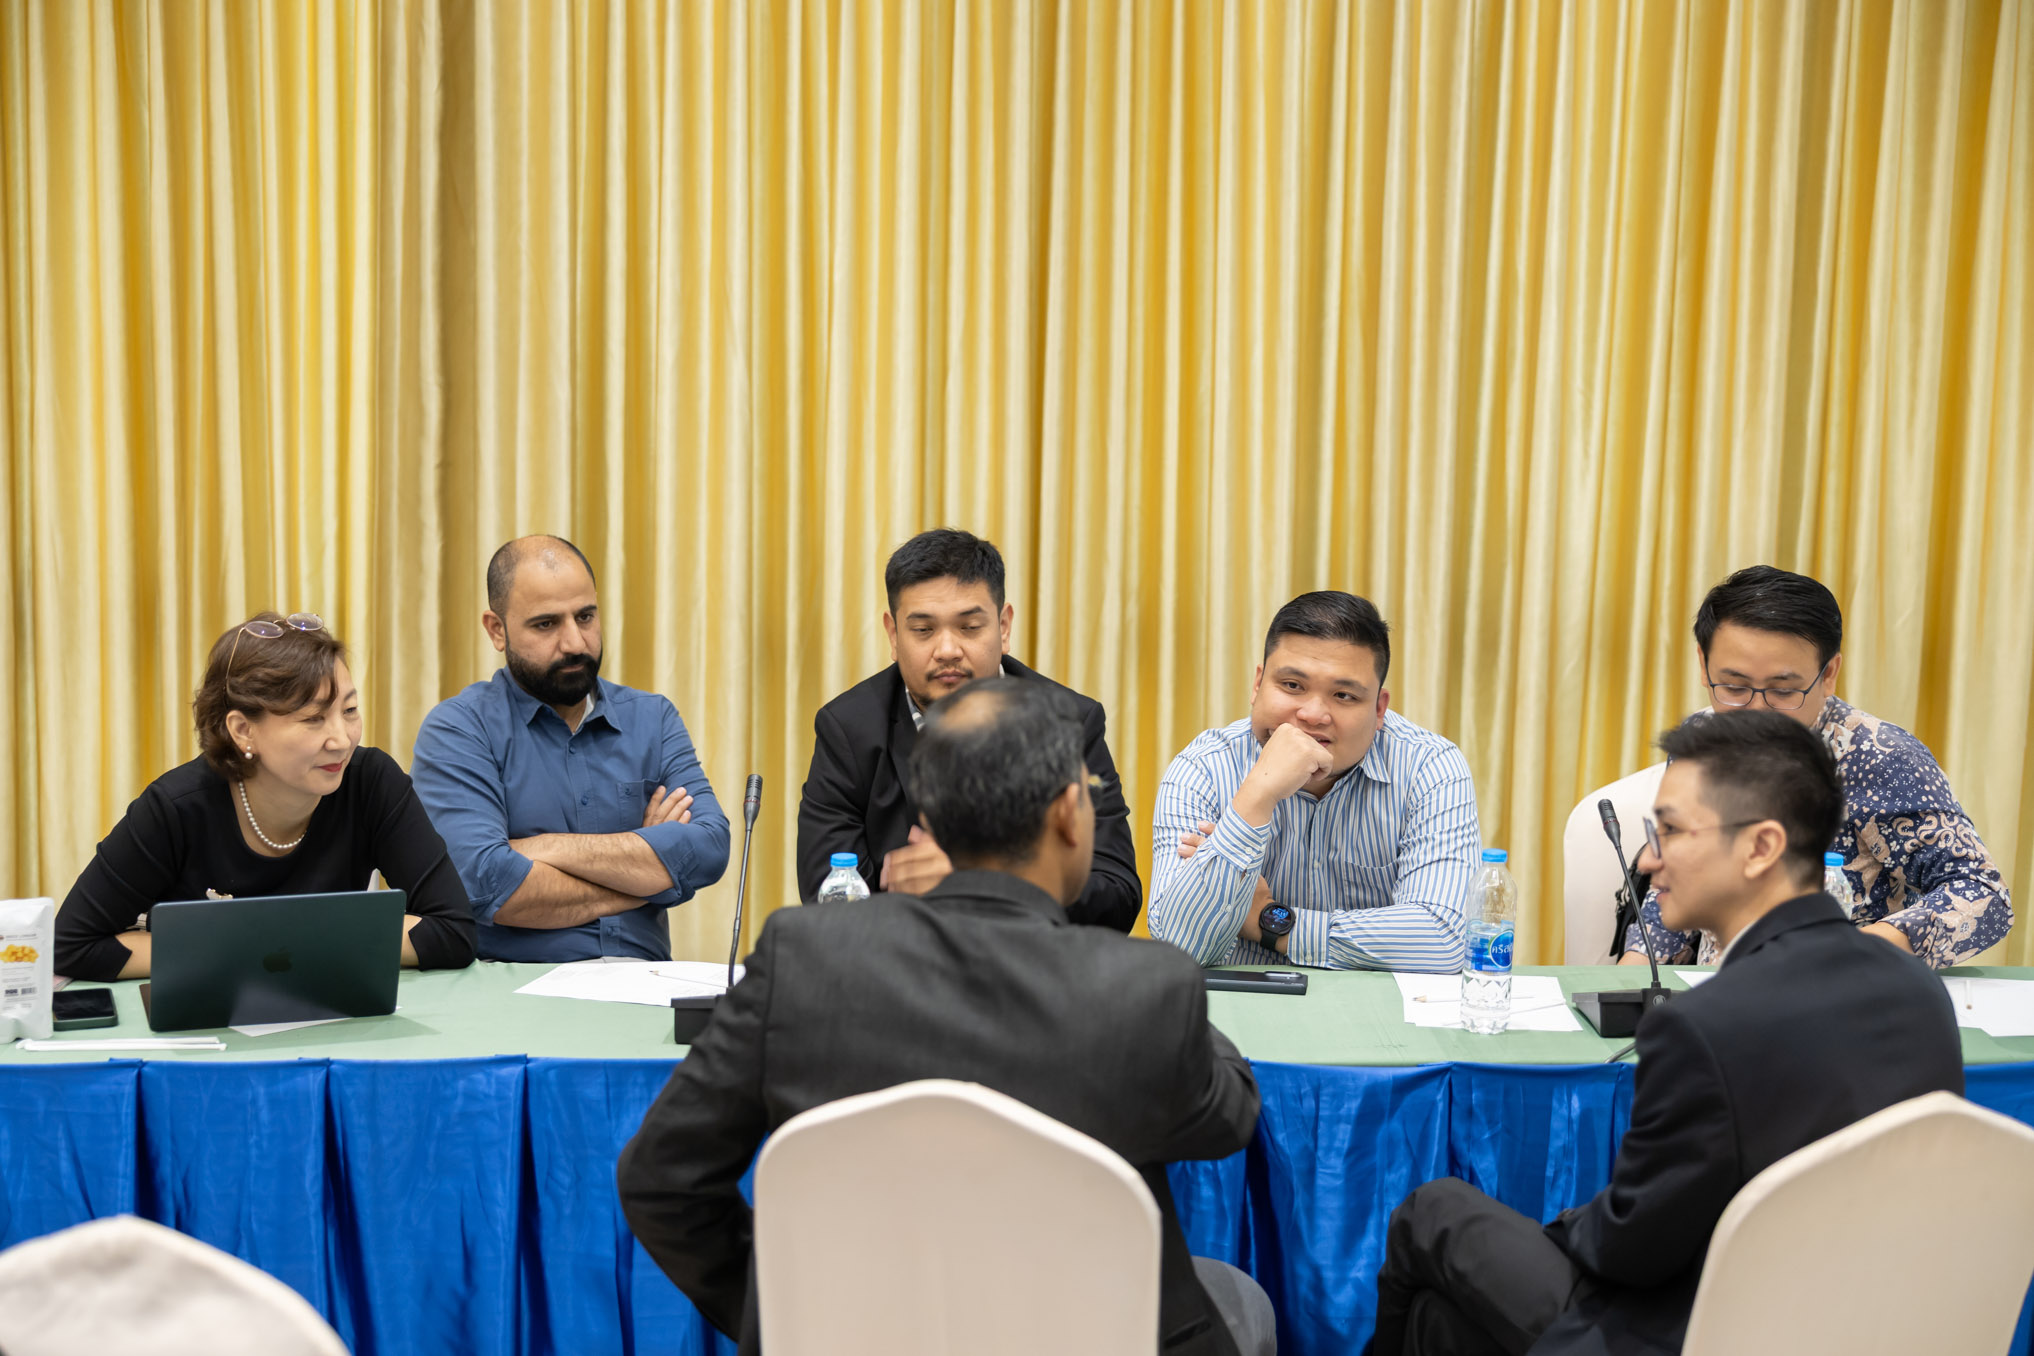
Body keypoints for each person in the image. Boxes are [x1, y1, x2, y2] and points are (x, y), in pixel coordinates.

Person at [620, 677, 1272, 1355]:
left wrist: (792, 1309)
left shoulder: (800, 958)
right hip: (1086, 1335)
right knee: (1242, 1300)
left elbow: (661, 1179)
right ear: (1068, 816)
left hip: (856, 1335)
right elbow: (1229, 1120)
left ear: (927, 824)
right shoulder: (1145, 987)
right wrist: (1174, 994)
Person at [1369, 711, 1964, 1356]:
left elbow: (1630, 1249)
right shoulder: (1920, 990)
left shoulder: (1702, 1026)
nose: (1648, 859)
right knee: (1438, 1322)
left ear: (1760, 847)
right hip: (1862, 1324)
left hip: (1698, 1327)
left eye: (1671, 832)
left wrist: (1570, 1223)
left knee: (1431, 1211)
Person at [1622, 565, 2011, 970]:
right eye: (1734, 687)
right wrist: (1634, 967)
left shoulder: (1879, 757)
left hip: (1843, 990)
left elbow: (1983, 894)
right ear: (1703, 665)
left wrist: (1851, 951)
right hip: (1717, 990)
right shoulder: (1701, 740)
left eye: (1783, 691)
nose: (1756, 711)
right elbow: (1680, 874)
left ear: (1828, 674)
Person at [54, 612, 476, 980]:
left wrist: (282, 943)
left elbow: (453, 931)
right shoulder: (176, 808)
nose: (342, 740)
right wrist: (245, 952)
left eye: (349, 711)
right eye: (313, 718)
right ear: (243, 730)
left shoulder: (371, 782)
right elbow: (72, 944)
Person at [795, 528, 1141, 930]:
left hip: (1032, 962)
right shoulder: (850, 730)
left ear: (1004, 626)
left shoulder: (1070, 722)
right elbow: (828, 898)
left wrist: (983, 883)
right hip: (903, 962)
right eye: (923, 630)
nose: (947, 650)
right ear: (893, 635)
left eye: (970, 627)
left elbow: (1117, 895)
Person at [410, 536, 729, 962]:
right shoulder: (460, 729)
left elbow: (709, 848)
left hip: (644, 983)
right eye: (546, 624)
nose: (575, 643)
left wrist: (546, 847)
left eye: (585, 617)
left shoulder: (653, 718)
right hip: (518, 987)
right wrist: (651, 874)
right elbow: (488, 884)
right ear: (497, 630)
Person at [1147, 591, 1479, 971]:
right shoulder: (1203, 767)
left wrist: (1270, 923)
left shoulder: (1430, 767)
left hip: (1379, 1006)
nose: (1313, 714)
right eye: (1292, 685)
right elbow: (1178, 948)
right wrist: (1256, 796)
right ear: (1258, 685)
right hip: (1240, 1003)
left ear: (1379, 709)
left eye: (1344, 695)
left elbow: (1445, 939)